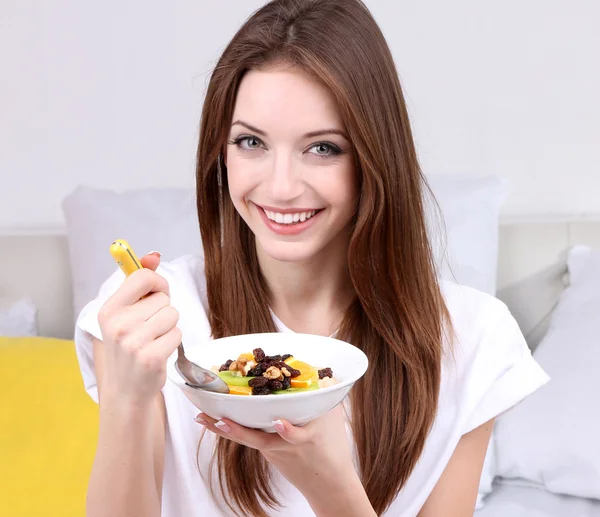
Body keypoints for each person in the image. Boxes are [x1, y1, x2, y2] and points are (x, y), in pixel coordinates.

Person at [74, 1, 549, 516]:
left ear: (374, 157)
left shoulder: (472, 339)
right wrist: (127, 401)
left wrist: (332, 488)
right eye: (250, 141)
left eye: (322, 148)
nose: (280, 187)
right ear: (221, 150)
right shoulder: (154, 321)